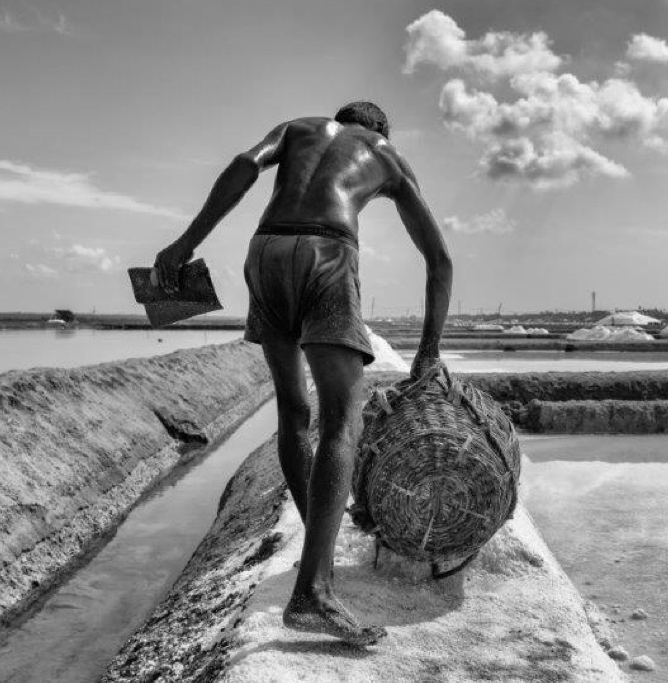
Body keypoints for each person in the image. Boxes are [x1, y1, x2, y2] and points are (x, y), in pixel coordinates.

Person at [153, 101, 452, 646]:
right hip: (326, 253)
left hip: (265, 253)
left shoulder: (298, 128)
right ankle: (313, 592)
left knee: (294, 412)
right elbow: (440, 260)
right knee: (343, 420)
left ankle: (317, 547)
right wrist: (427, 352)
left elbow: (245, 164)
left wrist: (185, 244)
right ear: (378, 129)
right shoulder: (383, 152)